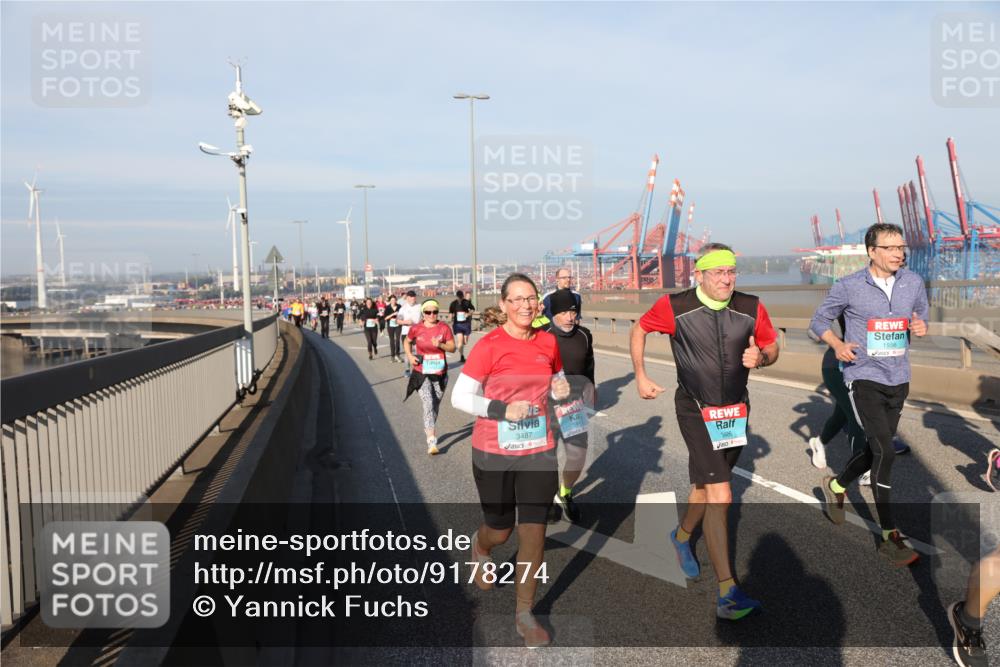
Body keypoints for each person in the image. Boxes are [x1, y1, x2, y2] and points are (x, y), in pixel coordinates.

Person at [630, 243, 779, 620]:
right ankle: (728, 593)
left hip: (735, 410)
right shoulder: (675, 307)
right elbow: (639, 328)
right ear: (699, 275)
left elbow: (773, 345)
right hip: (696, 409)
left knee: (707, 485)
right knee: (721, 493)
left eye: (731, 272)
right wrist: (641, 376)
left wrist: (761, 357)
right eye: (718, 273)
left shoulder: (750, 306)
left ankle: (680, 537)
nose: (726, 279)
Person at [450, 273, 570, 648]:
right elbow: (460, 397)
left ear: (539, 302)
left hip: (539, 449)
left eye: (531, 298)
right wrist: (501, 409)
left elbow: (557, 381)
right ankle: (481, 546)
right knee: (501, 530)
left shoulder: (549, 342)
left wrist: (562, 390)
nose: (525, 305)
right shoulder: (489, 346)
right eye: (516, 299)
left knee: (533, 531)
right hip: (494, 452)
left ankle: (524, 613)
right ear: (502, 306)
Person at [811, 222, 929, 567]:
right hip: (862, 377)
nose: (898, 254)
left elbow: (920, 313)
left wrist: (921, 324)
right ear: (872, 252)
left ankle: (836, 487)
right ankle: (889, 535)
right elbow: (818, 322)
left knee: (874, 449)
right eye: (890, 248)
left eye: (901, 248)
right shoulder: (848, 286)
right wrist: (836, 343)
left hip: (898, 378)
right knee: (885, 452)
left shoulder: (913, 283)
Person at [807, 316, 910, 485]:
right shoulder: (845, 300)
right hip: (836, 368)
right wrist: (835, 339)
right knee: (856, 416)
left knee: (843, 413)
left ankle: (819, 442)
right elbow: (813, 330)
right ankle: (864, 470)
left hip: (865, 369)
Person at [540, 288, 595, 524]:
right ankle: (545, 497)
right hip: (545, 405)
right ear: (553, 313)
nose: (569, 317)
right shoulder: (541, 335)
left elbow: (589, 369)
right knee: (547, 458)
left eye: (572, 311)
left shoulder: (584, 335)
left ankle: (565, 492)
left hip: (573, 406)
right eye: (563, 312)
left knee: (577, 456)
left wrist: (590, 397)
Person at [404, 299, 456, 453]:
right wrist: (409, 355)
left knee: (435, 404)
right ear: (423, 314)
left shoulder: (444, 327)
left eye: (435, 312)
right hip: (422, 372)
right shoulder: (416, 328)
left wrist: (440, 345)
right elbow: (407, 342)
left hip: (440, 374)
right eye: (428, 312)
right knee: (427, 402)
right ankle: (431, 441)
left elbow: (453, 348)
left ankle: (429, 427)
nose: (432, 315)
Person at [398, 290, 423, 374]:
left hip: (418, 333)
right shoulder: (403, 308)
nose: (413, 298)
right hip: (406, 332)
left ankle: (417, 369)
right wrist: (406, 322)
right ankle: (407, 369)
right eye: (411, 297)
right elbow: (398, 321)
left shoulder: (420, 306)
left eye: (414, 296)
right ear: (407, 298)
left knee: (417, 351)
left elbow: (424, 317)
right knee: (408, 352)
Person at [448, 290, 476, 363]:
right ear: (457, 296)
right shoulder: (453, 304)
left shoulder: (466, 302)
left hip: (466, 324)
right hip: (457, 325)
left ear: (462, 296)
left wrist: (468, 314)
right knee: (460, 342)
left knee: (465, 342)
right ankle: (462, 356)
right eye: (459, 297)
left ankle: (464, 342)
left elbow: (473, 309)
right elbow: (450, 313)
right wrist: (449, 320)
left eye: (461, 297)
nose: (460, 298)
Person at [385, 295, 403, 362]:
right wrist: (393, 314)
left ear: (396, 300)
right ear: (390, 301)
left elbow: (402, 315)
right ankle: (392, 356)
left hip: (398, 325)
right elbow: (385, 318)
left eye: (394, 300)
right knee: (392, 341)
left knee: (398, 340)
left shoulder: (399, 306)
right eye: (392, 300)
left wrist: (399, 317)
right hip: (390, 326)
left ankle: (397, 355)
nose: (393, 301)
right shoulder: (387, 307)